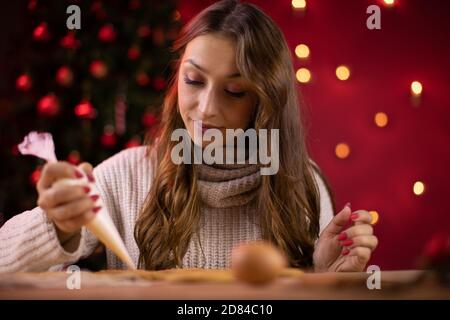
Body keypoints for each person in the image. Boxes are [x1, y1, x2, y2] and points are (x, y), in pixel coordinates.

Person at [0, 0, 377, 272]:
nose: (206, 107)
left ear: (267, 102)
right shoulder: (126, 176)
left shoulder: (302, 183)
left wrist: (324, 279)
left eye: (234, 91)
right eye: (193, 80)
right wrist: (58, 228)